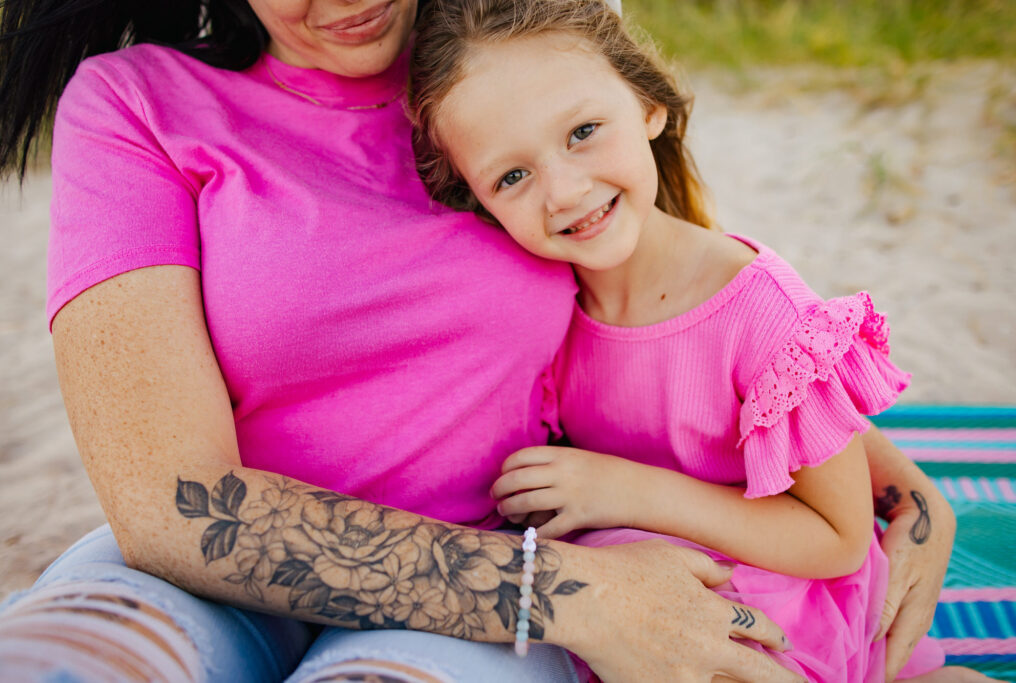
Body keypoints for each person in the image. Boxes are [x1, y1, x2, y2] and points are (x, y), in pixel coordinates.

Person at [0, 0, 954, 680]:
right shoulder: (135, 104)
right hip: (233, 581)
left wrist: (892, 483)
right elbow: (172, 507)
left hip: (494, 578)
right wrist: (571, 591)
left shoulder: (512, 60)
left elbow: (682, 294)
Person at [408, 1, 995, 681]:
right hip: (641, 599)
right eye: (513, 176)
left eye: (584, 131)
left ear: (649, 105)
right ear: (479, 199)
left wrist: (623, 489)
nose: (564, 191)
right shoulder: (535, 311)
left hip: (783, 607)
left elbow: (836, 538)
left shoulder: (762, 312)